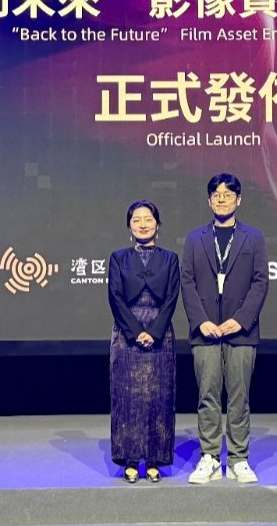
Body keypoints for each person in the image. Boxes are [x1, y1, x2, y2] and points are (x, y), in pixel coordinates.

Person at [181, 173, 268, 484]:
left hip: (241, 332)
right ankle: (209, 457)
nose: (222, 199)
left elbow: (260, 282)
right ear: (209, 201)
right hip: (204, 332)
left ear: (238, 200)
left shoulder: (254, 238)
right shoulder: (194, 239)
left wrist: (241, 319)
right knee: (207, 396)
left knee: (239, 397)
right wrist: (201, 321)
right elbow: (187, 283)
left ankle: (238, 459)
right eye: (216, 194)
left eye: (228, 194)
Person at [107, 200, 181, 483]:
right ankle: (129, 459)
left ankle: (154, 460)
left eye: (148, 219)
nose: (142, 224)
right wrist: (136, 331)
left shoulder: (170, 259)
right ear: (129, 226)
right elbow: (115, 296)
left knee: (158, 397)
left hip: (160, 333)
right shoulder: (119, 258)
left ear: (158, 225)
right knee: (127, 397)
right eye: (136, 220)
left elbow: (172, 297)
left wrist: (154, 331)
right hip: (127, 335)